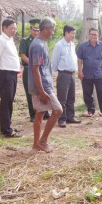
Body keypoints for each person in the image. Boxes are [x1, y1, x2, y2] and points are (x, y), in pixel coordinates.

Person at [28, 17, 63, 152]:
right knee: (58, 110)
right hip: (42, 87)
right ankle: (43, 141)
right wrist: (42, 91)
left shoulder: (42, 43)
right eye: (52, 30)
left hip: (44, 84)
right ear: (46, 29)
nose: (53, 33)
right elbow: (35, 69)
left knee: (40, 113)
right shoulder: (38, 45)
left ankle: (36, 144)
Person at [0, 17, 22, 137]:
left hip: (12, 73)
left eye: (15, 28)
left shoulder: (10, 40)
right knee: (6, 100)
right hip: (5, 73)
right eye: (12, 28)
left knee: (10, 100)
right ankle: (6, 129)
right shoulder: (1, 40)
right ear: (4, 28)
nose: (14, 31)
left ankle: (8, 125)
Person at [19, 18, 50, 122]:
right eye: (34, 30)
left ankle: (45, 112)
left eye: (37, 30)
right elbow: (22, 55)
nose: (36, 32)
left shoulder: (42, 42)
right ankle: (33, 114)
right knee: (31, 92)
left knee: (44, 89)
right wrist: (33, 63)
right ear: (30, 29)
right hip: (29, 69)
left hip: (40, 70)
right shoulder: (25, 41)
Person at [51, 25, 81, 128]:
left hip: (72, 74)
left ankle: (70, 116)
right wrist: (57, 72)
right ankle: (61, 118)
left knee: (71, 97)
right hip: (63, 74)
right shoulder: (59, 45)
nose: (74, 35)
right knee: (62, 98)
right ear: (66, 33)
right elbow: (54, 61)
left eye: (74, 34)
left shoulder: (72, 45)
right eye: (72, 33)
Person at [76, 27, 102, 117]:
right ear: (88, 35)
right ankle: (90, 110)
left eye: (95, 34)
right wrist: (79, 71)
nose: (93, 36)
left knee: (101, 92)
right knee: (87, 93)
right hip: (86, 74)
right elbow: (79, 59)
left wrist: (101, 65)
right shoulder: (83, 46)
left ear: (98, 35)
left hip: (99, 74)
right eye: (91, 34)